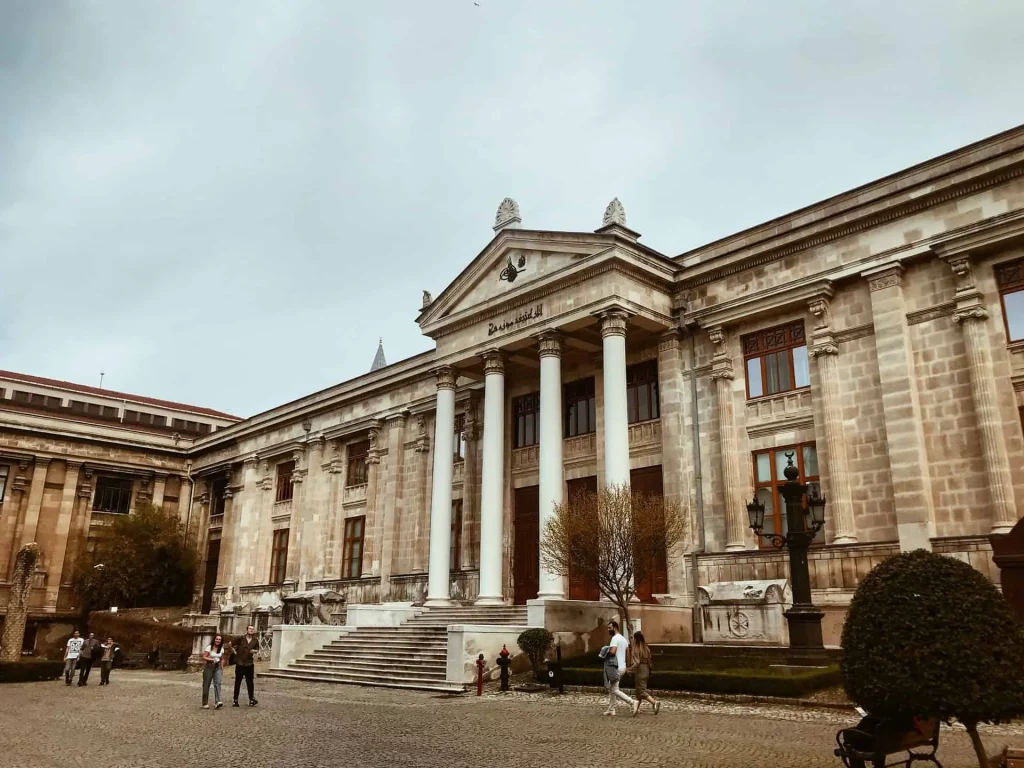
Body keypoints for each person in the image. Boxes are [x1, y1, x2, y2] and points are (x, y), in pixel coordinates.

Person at [602, 620, 639, 717]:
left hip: (615, 667)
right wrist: (627, 666)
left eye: (609, 628)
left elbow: (613, 652)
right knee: (612, 687)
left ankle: (632, 702)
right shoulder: (624, 639)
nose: (608, 630)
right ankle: (611, 709)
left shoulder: (615, 639)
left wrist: (605, 651)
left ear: (615, 627)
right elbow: (628, 653)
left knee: (614, 689)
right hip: (622, 667)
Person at [228, 625, 260, 708]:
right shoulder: (241, 638)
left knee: (250, 682)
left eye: (252, 629)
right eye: (250, 629)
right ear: (246, 630)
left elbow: (257, 649)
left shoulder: (255, 640)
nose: (251, 630)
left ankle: (251, 699)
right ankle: (235, 700)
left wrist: (254, 651)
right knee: (238, 682)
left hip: (249, 663)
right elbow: (230, 644)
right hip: (240, 663)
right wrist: (234, 652)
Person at [631, 631, 660, 715]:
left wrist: (630, 668)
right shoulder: (646, 648)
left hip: (640, 670)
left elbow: (637, 662)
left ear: (636, 639)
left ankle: (654, 702)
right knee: (639, 691)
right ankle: (636, 708)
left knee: (641, 691)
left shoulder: (636, 649)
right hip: (646, 670)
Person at [201, 635, 227, 709]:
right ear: (214, 640)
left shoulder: (221, 648)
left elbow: (222, 658)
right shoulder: (209, 647)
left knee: (218, 683)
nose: (218, 640)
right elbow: (204, 656)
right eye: (217, 639)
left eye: (219, 639)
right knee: (206, 684)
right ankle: (205, 702)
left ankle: (217, 701)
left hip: (217, 667)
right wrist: (211, 659)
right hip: (209, 666)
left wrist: (222, 667)